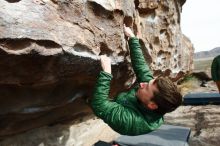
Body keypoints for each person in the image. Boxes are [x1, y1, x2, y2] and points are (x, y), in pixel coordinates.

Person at [91, 25, 182, 135]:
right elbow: (141, 68)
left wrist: (106, 73)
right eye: (148, 82)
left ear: (152, 105)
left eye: (146, 87)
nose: (142, 84)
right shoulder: (153, 91)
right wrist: (133, 39)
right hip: (128, 101)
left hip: (123, 114)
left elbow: (99, 105)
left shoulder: (131, 122)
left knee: (94, 101)